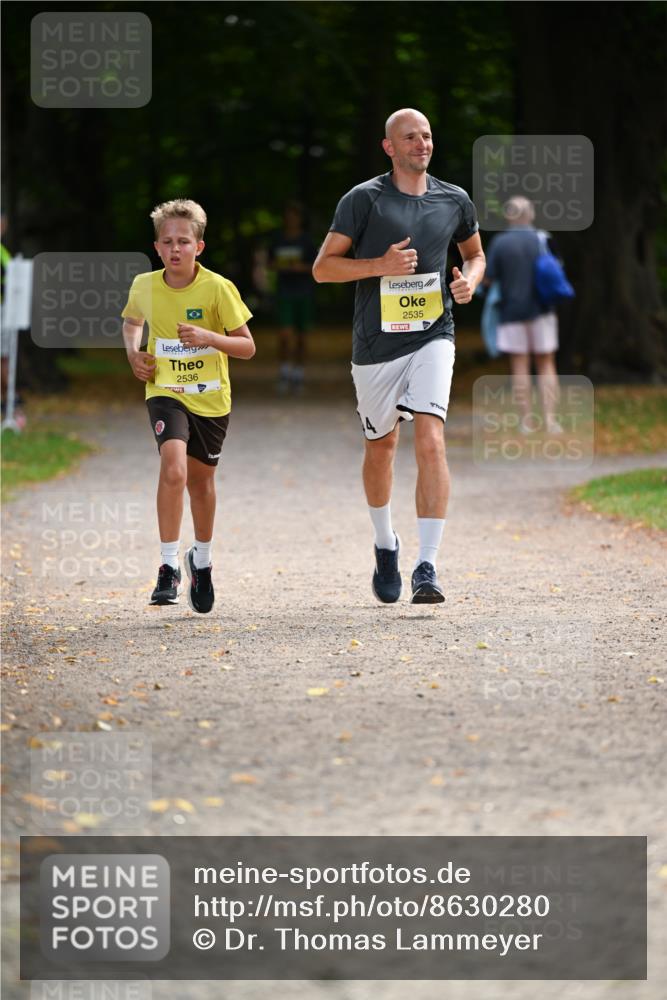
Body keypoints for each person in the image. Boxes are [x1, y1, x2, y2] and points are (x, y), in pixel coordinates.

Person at [313, 108, 485, 604]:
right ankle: (385, 543)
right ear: (388, 147)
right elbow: (323, 269)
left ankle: (427, 566)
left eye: (427, 135)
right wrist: (380, 266)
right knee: (381, 448)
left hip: (434, 334)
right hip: (375, 347)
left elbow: (475, 255)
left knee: (431, 439)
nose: (421, 144)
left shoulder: (454, 199)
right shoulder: (363, 200)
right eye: (410, 137)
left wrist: (467, 283)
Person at [121, 199, 256, 613]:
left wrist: (210, 338)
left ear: (199, 246)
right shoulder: (144, 285)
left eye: (183, 241)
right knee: (173, 466)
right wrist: (133, 353)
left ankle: (202, 559)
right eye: (167, 242)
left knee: (201, 482)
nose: (175, 248)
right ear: (157, 247)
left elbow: (248, 346)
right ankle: (167, 568)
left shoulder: (218, 288)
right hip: (165, 391)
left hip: (211, 398)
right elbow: (132, 322)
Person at [484, 196, 562, 434]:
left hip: (511, 312)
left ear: (508, 216)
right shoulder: (544, 239)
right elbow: (557, 271)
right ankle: (550, 421)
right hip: (542, 310)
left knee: (520, 366)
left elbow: (487, 279)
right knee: (546, 363)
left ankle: (526, 422)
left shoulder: (500, 243)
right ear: (530, 214)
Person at [268, 201, 317, 395]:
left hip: (304, 292)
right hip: (284, 292)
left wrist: (300, 267)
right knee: (285, 335)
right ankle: (284, 372)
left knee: (302, 336)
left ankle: (298, 374)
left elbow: (316, 265)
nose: (291, 219)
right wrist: (281, 266)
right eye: (288, 215)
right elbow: (270, 262)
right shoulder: (278, 239)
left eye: (294, 215)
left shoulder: (306, 241)